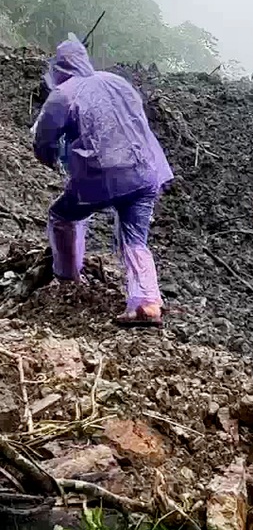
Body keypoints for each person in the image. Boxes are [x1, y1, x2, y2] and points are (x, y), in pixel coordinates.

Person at [32, 38, 174, 327]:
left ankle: (68, 279)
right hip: (145, 170)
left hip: (101, 176)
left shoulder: (62, 94)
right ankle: (147, 304)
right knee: (135, 237)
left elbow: (44, 139)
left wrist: (50, 159)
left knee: (62, 216)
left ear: (59, 67)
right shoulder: (117, 82)